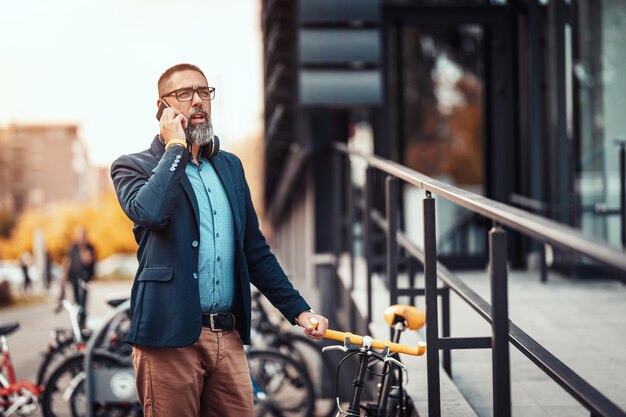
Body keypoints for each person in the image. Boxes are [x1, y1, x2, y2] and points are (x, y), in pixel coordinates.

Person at [110, 63, 329, 417]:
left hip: (227, 337)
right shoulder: (133, 166)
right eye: (184, 94)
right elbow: (149, 212)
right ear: (162, 108)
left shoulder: (229, 167)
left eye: (204, 92)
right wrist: (175, 148)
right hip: (168, 337)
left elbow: (255, 251)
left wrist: (299, 311)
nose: (197, 101)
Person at [58, 226, 96, 329]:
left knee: (83, 301)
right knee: (76, 301)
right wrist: (64, 277)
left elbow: (88, 260)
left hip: (85, 279)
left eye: (83, 234)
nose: (82, 236)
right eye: (80, 234)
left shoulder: (89, 247)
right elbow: (67, 261)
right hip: (74, 278)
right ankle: (77, 322)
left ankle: (82, 321)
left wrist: (83, 249)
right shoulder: (73, 247)